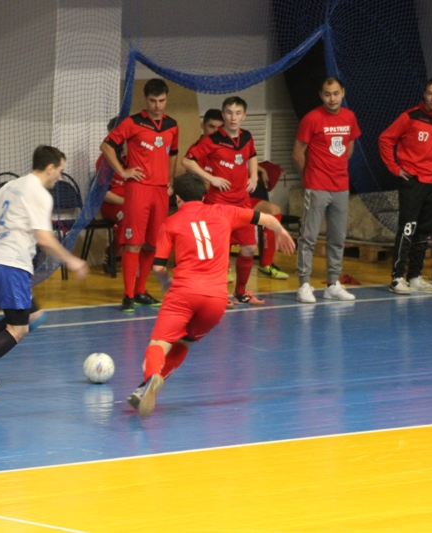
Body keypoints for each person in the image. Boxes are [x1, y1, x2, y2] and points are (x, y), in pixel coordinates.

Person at [126, 174, 296, 417]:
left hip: (184, 293)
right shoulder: (224, 212)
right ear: (204, 196)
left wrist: (165, 284)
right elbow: (266, 218)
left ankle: (152, 378)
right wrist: (280, 230)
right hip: (216, 299)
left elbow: (159, 267)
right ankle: (149, 386)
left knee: (158, 344)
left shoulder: (170, 223)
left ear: (177, 198)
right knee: (185, 341)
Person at [0, 146, 89, 390]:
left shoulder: (14, 185)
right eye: (60, 171)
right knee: (18, 329)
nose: (60, 177)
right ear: (50, 168)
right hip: (12, 265)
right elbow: (44, 238)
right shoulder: (40, 195)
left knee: (34, 317)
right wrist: (71, 260)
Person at [100, 79, 179, 313]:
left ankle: (141, 291)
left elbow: (173, 153)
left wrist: (170, 180)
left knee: (152, 245)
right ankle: (128, 295)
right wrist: (123, 171)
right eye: (153, 101)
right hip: (138, 190)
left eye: (161, 100)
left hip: (160, 191)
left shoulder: (172, 125)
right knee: (133, 243)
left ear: (167, 99)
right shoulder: (132, 122)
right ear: (146, 100)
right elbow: (106, 146)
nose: (157, 105)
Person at [182, 96, 264, 305]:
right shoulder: (212, 140)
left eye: (237, 113)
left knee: (249, 248)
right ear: (223, 114)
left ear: (244, 116)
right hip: (218, 204)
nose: (233, 117)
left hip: (242, 203)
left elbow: (252, 155)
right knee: (220, 252)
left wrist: (254, 176)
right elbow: (187, 161)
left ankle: (240, 293)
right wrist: (211, 178)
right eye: (229, 112)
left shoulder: (247, 137)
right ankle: (218, 294)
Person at [195, 110, 290, 281]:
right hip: (216, 203)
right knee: (223, 220)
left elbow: (246, 158)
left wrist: (257, 171)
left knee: (273, 210)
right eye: (211, 127)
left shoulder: (232, 144)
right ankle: (223, 267)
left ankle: (266, 265)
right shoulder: (200, 149)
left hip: (240, 200)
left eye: (219, 127)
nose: (216, 131)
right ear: (202, 126)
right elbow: (194, 175)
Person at [379, 77, 432, 294]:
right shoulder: (409, 117)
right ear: (424, 94)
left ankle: (414, 276)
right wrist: (395, 168)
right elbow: (385, 139)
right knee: (408, 229)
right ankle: (397, 278)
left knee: (425, 232)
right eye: (430, 93)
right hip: (412, 183)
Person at [292, 76, 361, 303]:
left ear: (343, 93)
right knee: (309, 237)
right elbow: (298, 153)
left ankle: (332, 284)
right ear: (321, 95)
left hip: (341, 187)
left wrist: (336, 167)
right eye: (327, 94)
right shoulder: (311, 118)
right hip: (317, 186)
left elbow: (349, 146)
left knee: (338, 237)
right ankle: (304, 284)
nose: (332, 98)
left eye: (336, 93)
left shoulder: (349, 116)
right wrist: (309, 178)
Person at [95, 116, 127, 275]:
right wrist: (126, 202)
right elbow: (105, 194)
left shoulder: (135, 158)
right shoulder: (104, 161)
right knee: (129, 217)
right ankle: (111, 253)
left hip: (131, 204)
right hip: (112, 205)